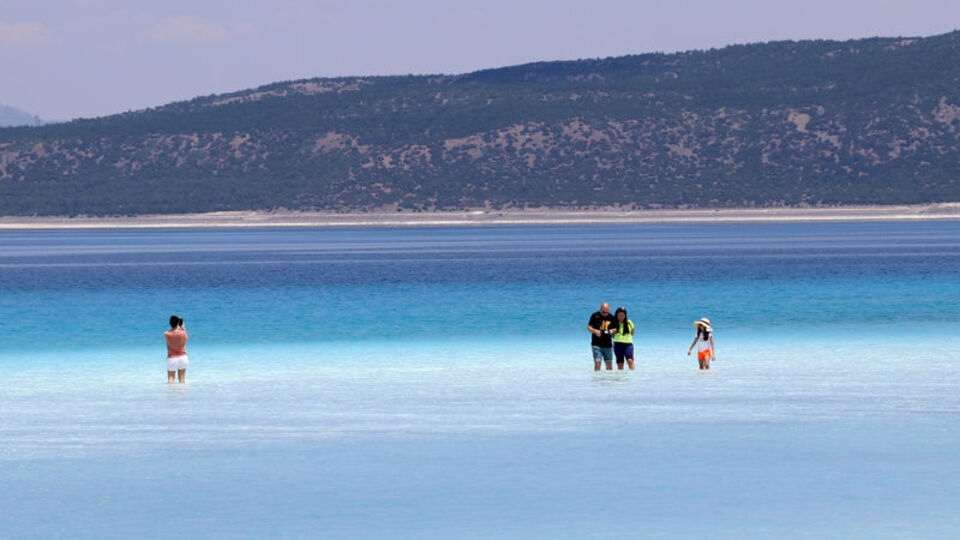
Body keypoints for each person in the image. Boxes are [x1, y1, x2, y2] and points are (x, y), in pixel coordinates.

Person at [588, 302, 617, 371]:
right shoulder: (595, 315)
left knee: (609, 364)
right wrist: (595, 331)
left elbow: (615, 328)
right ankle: (597, 380)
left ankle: (609, 380)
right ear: (600, 309)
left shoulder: (611, 317)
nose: (605, 314)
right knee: (598, 363)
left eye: (607, 312)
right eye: (604, 312)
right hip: (596, 344)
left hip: (608, 344)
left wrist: (612, 331)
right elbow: (589, 327)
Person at [164, 315, 189, 383]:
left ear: (170, 323)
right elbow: (186, 340)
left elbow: (172, 336)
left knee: (171, 378)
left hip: (172, 358)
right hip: (183, 358)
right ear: (178, 323)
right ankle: (182, 393)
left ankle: (171, 393)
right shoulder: (182, 333)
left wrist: (177, 327)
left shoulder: (166, 334)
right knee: (182, 378)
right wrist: (183, 328)